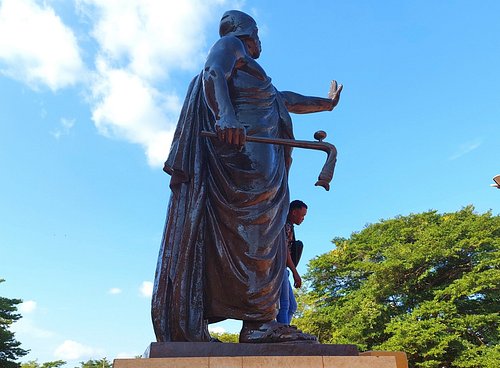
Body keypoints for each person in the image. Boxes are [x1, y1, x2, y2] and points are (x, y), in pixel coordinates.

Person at [151, 10, 342, 343]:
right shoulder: (230, 45)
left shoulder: (256, 78)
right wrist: (225, 116)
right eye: (257, 32)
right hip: (244, 162)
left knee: (261, 238)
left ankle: (258, 322)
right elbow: (213, 73)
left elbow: (286, 100)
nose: (260, 40)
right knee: (252, 238)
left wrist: (325, 104)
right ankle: (258, 323)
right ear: (246, 31)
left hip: (262, 167)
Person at [277, 200, 308, 325]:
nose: (303, 219)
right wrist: (295, 272)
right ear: (294, 212)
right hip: (279, 268)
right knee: (284, 304)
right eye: (302, 215)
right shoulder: (285, 225)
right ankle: (282, 331)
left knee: (292, 306)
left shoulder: (289, 226)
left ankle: (285, 328)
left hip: (284, 269)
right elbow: (284, 251)